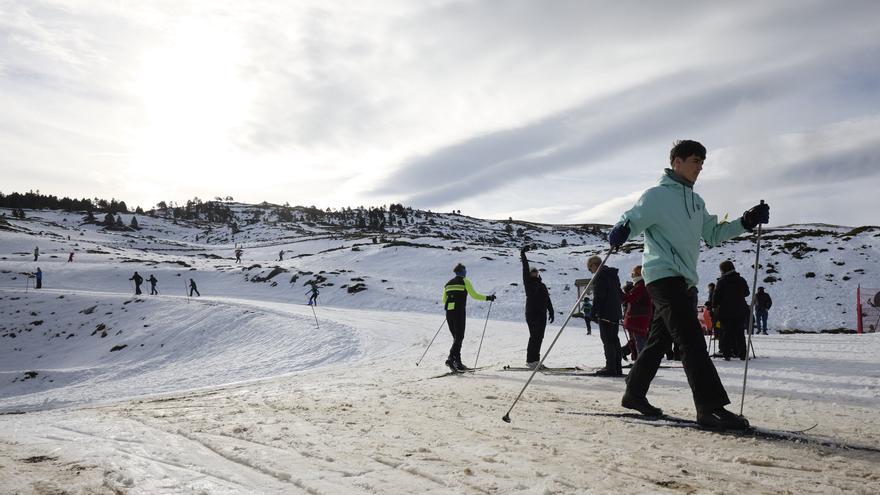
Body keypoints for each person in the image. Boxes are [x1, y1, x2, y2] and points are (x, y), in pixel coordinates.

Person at [608, 139, 769, 430]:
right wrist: (621, 230)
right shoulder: (656, 196)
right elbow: (632, 219)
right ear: (677, 162)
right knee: (691, 340)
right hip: (662, 276)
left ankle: (634, 393)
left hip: (685, 279)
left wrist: (746, 222)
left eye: (703, 163)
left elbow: (714, 234)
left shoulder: (697, 202)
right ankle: (710, 408)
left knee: (659, 341)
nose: (700, 168)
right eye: (695, 161)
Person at [442, 263, 496, 372]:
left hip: (449, 312)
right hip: (459, 311)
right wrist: (489, 297)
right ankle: (451, 358)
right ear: (462, 272)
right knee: (459, 337)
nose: (466, 273)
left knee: (456, 338)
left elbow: (444, 300)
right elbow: (474, 295)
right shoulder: (465, 281)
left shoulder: (447, 284)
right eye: (465, 271)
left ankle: (458, 363)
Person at [587, 255, 623, 377]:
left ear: (593, 265)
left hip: (606, 312)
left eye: (590, 268)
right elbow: (619, 293)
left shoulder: (600, 276)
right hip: (615, 311)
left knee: (608, 340)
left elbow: (599, 296)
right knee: (614, 339)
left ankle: (610, 367)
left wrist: (593, 313)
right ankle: (617, 367)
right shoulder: (612, 275)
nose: (590, 271)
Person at [521, 246, 555, 368]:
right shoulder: (528, 282)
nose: (535, 273)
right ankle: (530, 361)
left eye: (536, 272)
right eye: (532, 272)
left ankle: (536, 360)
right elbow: (525, 268)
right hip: (532, 313)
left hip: (542, 313)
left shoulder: (542, 285)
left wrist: (551, 311)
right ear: (530, 274)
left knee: (540, 337)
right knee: (534, 336)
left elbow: (547, 299)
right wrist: (523, 254)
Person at [712, 260, 750, 360]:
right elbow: (747, 293)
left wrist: (714, 306)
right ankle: (742, 353)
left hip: (725, 312)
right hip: (740, 311)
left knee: (726, 333)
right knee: (740, 333)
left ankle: (727, 354)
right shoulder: (741, 279)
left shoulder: (722, 281)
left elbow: (716, 297)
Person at [622, 265, 651, 361]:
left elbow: (632, 298)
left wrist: (621, 294)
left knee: (639, 339)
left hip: (637, 317)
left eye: (633, 274)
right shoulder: (642, 285)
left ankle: (641, 361)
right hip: (639, 316)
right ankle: (638, 358)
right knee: (637, 339)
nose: (632, 276)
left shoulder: (640, 285)